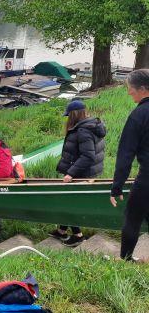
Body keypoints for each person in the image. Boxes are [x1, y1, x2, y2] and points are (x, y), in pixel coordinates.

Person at [50, 100, 106, 247]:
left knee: (68, 204)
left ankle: (78, 236)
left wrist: (71, 173)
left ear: (74, 114)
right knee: (67, 201)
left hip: (80, 172)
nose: (68, 118)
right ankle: (62, 231)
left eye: (69, 115)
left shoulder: (83, 130)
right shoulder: (90, 125)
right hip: (83, 171)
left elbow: (88, 156)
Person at [110, 69, 149, 261]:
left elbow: (125, 155)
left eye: (130, 88)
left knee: (132, 219)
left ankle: (125, 260)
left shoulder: (139, 115)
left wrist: (117, 187)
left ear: (142, 89)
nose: (128, 92)